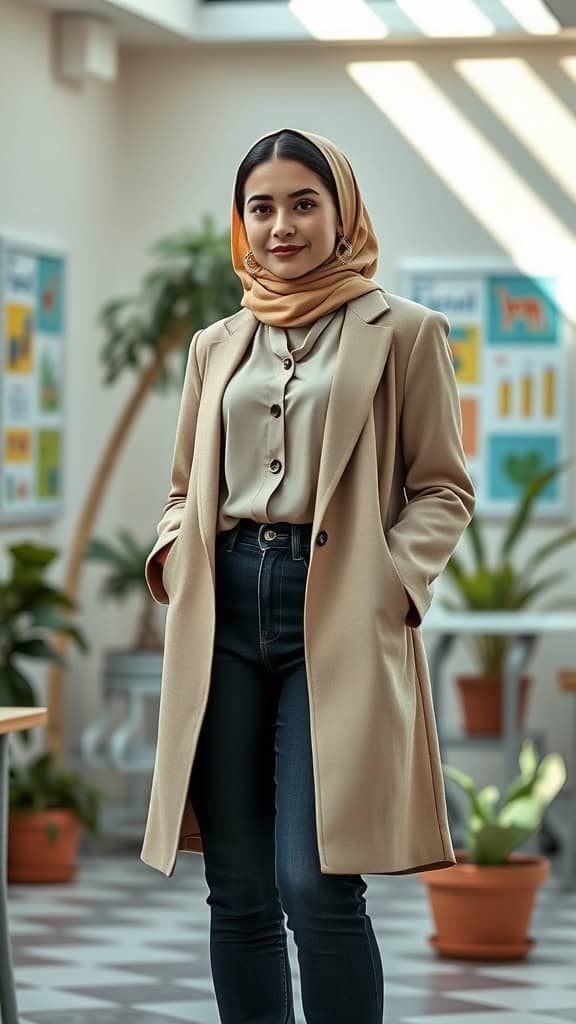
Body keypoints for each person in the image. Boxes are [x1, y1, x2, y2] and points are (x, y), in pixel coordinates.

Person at [143, 128, 476, 1024]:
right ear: (241, 223)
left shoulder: (404, 332)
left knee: (316, 878)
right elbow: (184, 488)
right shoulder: (216, 345)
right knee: (240, 886)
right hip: (224, 607)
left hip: (336, 610)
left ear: (342, 211)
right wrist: (177, 552)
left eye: (302, 203)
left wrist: (391, 583)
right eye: (262, 207)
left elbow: (443, 488)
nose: (281, 225)